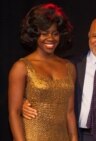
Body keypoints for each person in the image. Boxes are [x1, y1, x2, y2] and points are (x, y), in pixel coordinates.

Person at [22, 16, 96, 141]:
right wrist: (23, 101)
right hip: (78, 135)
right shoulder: (70, 64)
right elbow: (47, 90)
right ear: (89, 35)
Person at [8, 3, 78, 141]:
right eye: (44, 33)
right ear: (35, 35)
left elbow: (69, 112)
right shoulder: (21, 67)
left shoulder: (69, 67)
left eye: (55, 33)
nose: (50, 38)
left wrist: (74, 138)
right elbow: (14, 113)